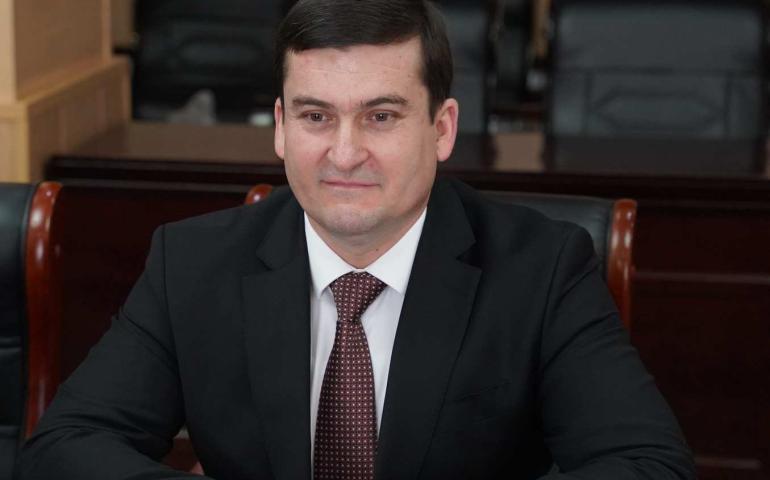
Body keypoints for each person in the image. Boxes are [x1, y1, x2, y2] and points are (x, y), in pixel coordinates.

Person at [19, 0, 695, 478]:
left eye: (380, 116)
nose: (344, 154)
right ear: (280, 126)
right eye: (316, 116)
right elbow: (63, 448)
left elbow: (648, 464)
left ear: (442, 128)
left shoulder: (542, 268)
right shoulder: (192, 263)